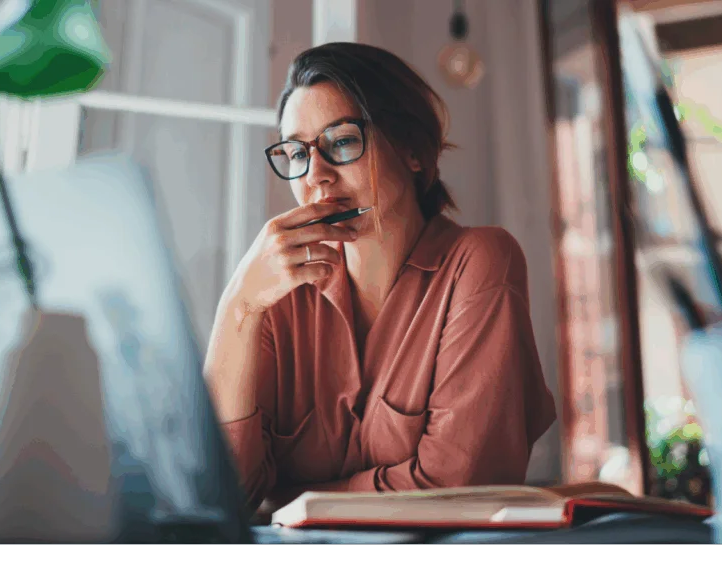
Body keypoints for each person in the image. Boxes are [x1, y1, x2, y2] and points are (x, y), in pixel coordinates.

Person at [204, 42, 557, 514]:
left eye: (342, 141)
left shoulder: (479, 261)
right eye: (296, 153)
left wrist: (289, 500)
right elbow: (220, 496)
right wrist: (238, 308)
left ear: (411, 149)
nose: (317, 178)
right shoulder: (276, 296)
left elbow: (457, 485)